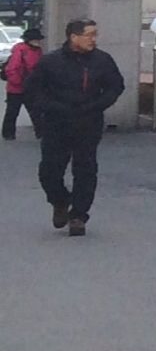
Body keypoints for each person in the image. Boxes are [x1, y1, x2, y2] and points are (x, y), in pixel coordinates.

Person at [24, 19, 124, 237]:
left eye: (95, 34)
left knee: (85, 169)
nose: (93, 39)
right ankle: (60, 200)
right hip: (56, 123)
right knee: (49, 171)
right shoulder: (51, 62)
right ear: (74, 37)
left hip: (88, 122)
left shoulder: (102, 60)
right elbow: (32, 90)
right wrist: (50, 109)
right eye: (89, 35)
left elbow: (115, 86)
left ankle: (78, 215)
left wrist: (97, 105)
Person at [3, 26, 44, 141]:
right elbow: (12, 69)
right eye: (35, 39)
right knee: (13, 111)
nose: (38, 41)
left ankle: (41, 132)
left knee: (35, 111)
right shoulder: (20, 50)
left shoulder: (38, 51)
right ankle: (8, 133)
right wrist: (19, 82)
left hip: (30, 87)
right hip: (17, 88)